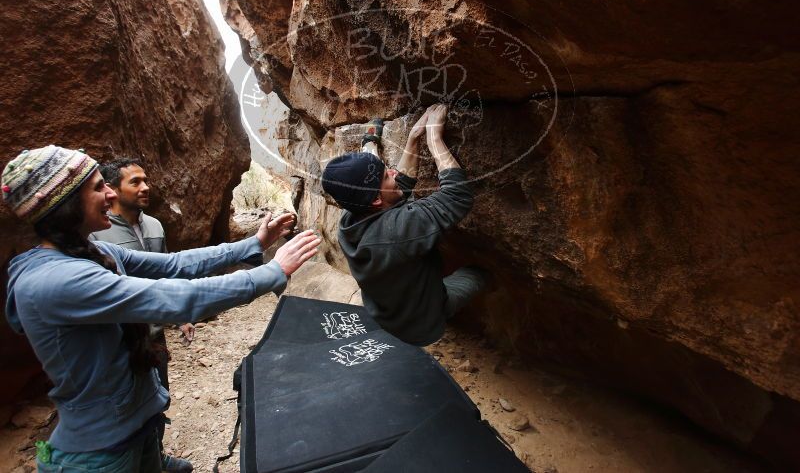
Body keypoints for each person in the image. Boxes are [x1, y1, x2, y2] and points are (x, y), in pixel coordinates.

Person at [2, 145, 320, 473]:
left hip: (134, 431)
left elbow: (174, 264)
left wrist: (254, 243)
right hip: (98, 455)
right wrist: (271, 272)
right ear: (64, 205)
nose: (110, 194)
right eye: (98, 187)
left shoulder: (91, 250)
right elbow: (172, 297)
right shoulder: (57, 279)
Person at [321, 103, 490, 346]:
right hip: (421, 323)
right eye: (385, 175)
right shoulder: (393, 233)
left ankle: (371, 145)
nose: (393, 172)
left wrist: (413, 139)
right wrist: (434, 139)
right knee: (478, 274)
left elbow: (399, 187)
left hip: (388, 313)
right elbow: (457, 197)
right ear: (376, 199)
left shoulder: (350, 220)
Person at [88, 159, 193, 472]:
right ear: (113, 190)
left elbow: (166, 275)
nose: (145, 187)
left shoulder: (155, 226)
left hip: (154, 333)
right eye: (135, 182)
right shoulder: (99, 235)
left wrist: (181, 315)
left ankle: (155, 457)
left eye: (146, 180)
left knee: (158, 397)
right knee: (124, 405)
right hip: (120, 338)